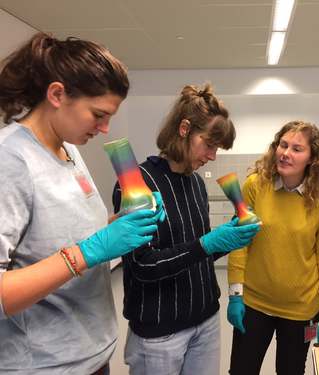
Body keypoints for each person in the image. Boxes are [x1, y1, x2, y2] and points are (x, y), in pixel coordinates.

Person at [0, 33, 164, 374]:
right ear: (57, 94)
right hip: (45, 365)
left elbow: (67, 232)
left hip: (91, 355)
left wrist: (122, 223)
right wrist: (89, 251)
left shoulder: (69, 149)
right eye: (98, 114)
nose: (105, 129)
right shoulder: (11, 159)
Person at [113, 83, 261, 375]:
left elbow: (196, 254)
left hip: (205, 319)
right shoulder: (136, 183)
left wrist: (226, 240)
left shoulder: (196, 184)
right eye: (209, 145)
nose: (213, 156)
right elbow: (143, 265)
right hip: (160, 331)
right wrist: (207, 243)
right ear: (184, 129)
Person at [227, 121, 319, 375]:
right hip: (254, 303)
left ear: (312, 158)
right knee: (241, 370)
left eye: (297, 149)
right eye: (283, 145)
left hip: (301, 309)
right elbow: (239, 243)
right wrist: (235, 293)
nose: (286, 153)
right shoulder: (255, 186)